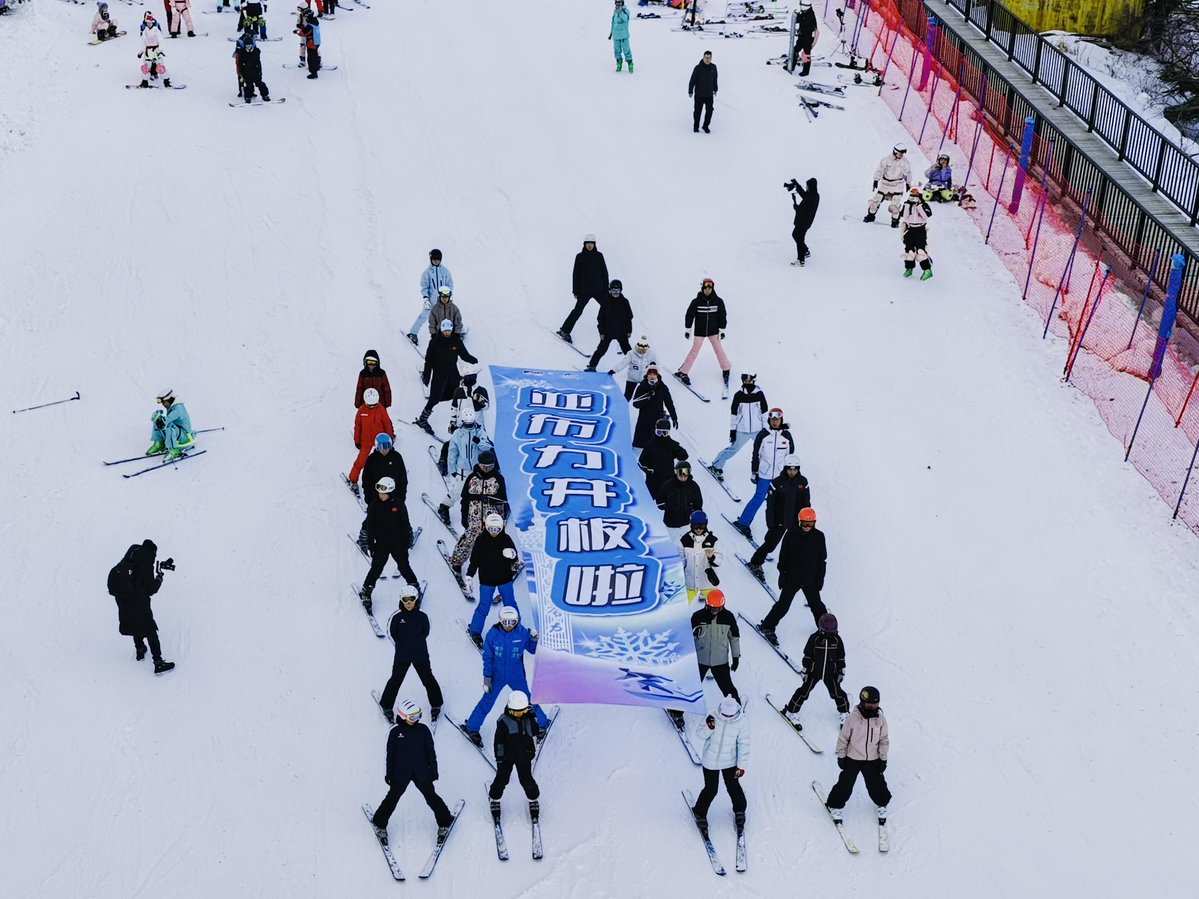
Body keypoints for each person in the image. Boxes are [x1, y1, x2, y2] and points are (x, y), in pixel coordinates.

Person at [368, 699, 456, 841]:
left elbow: (430, 752)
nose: (417, 720)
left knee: (431, 797)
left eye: (419, 716)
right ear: (403, 717)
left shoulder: (423, 730)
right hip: (400, 773)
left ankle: (445, 820)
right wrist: (389, 773)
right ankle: (380, 822)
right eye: (413, 717)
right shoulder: (395, 733)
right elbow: (390, 755)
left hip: (421, 771)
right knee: (392, 798)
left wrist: (434, 769)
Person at [463, 608, 549, 745]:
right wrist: (487, 678)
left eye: (512, 622)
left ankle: (543, 723)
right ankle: (472, 727)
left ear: (517, 621)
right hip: (497, 676)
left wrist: (534, 639)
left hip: (516, 675)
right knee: (487, 701)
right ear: (500, 620)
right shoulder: (493, 634)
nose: (508, 625)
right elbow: (488, 657)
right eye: (505, 621)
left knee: (528, 700)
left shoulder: (522, 633)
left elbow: (532, 650)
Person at [758, 507, 827, 643]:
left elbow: (822, 560)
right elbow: (783, 556)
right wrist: (782, 573)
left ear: (815, 522)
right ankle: (767, 626)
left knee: (817, 605)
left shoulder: (819, 536)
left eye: (811, 524)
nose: (807, 527)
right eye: (805, 524)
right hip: (792, 578)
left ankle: (825, 628)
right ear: (799, 522)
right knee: (783, 605)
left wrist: (820, 578)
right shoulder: (791, 534)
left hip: (810, 579)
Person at [107, 540, 176, 674]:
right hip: (138, 601)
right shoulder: (145, 565)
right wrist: (159, 578)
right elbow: (151, 589)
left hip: (122, 599)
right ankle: (158, 663)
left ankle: (140, 649)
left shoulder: (130, 557)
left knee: (134, 623)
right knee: (150, 629)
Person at [826, 686, 890, 823]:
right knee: (846, 783)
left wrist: (883, 758)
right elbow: (843, 737)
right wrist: (841, 755)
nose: (873, 706)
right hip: (852, 757)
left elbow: (884, 740)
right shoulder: (853, 718)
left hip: (872, 758)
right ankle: (834, 805)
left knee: (876, 783)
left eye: (876, 703)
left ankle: (882, 803)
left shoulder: (880, 719)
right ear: (862, 702)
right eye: (870, 704)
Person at [378, 587, 444, 720]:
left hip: (420, 655)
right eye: (405, 600)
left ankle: (436, 704)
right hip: (402, 656)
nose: (408, 603)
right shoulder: (397, 617)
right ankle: (386, 705)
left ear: (416, 600)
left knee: (428, 679)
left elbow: (426, 632)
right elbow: (392, 634)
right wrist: (403, 646)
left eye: (411, 599)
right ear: (401, 601)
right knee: (396, 680)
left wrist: (416, 645)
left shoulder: (423, 617)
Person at [730, 408, 794, 540]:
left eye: (777, 419)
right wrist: (754, 472)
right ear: (769, 420)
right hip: (764, 475)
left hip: (779, 477)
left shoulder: (786, 436)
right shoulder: (763, 435)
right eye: (772, 419)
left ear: (781, 420)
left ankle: (780, 527)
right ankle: (743, 523)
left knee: (780, 502)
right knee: (758, 498)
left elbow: (790, 455)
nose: (775, 422)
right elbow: (756, 454)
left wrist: (788, 475)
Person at [690, 696, 749, 831]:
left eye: (730, 715)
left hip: (730, 761)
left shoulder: (742, 722)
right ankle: (699, 812)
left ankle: (740, 810)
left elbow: (744, 744)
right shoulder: (712, 715)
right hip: (710, 760)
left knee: (733, 786)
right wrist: (709, 727)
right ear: (721, 709)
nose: (726, 717)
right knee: (711, 789)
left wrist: (741, 766)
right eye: (724, 714)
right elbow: (699, 735)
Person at [359, 477, 419, 609]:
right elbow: (370, 526)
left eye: (384, 493)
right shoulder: (374, 505)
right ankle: (366, 589)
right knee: (376, 568)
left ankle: (414, 585)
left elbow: (405, 523)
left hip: (398, 543)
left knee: (404, 566)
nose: (381, 495)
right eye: (380, 492)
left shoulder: (398, 504)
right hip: (381, 544)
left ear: (390, 492)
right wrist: (371, 544)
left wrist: (408, 537)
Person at [746, 454, 810, 576]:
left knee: (795, 546)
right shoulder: (777, 483)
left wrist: (806, 522)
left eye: (795, 469)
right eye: (790, 469)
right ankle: (755, 562)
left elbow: (806, 503)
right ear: (785, 468)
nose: (792, 472)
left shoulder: (803, 482)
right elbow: (770, 505)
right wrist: (771, 523)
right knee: (770, 545)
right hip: (779, 521)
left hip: (796, 522)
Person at [783, 613, 849, 726]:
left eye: (832, 633)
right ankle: (791, 711)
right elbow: (807, 655)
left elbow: (840, 656)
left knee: (837, 693)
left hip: (830, 672)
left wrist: (841, 670)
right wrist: (805, 669)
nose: (829, 635)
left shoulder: (837, 640)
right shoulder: (815, 638)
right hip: (814, 671)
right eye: (827, 632)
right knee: (804, 691)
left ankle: (844, 713)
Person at [465, 514, 521, 646]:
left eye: (497, 529)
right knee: (484, 606)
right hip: (487, 581)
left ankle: (517, 628)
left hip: (504, 579)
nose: (494, 533)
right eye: (491, 529)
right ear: (486, 527)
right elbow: (474, 561)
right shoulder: (480, 540)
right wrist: (469, 576)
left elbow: (515, 557)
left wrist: (512, 554)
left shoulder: (506, 539)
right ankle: (475, 631)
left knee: (510, 604)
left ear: (501, 528)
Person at [448, 449, 507, 573]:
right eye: (483, 466)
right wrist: (464, 516)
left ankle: (510, 565)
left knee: (497, 543)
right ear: (479, 464)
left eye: (489, 466)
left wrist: (500, 514)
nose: (486, 469)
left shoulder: (498, 479)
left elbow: (504, 500)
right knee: (468, 540)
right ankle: (456, 561)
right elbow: (465, 499)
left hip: (492, 519)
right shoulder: (472, 478)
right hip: (474, 518)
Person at [488, 690, 541, 823]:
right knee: (502, 779)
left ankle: (533, 798)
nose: (519, 715)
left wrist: (532, 718)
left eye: (522, 712)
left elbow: (534, 732)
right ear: (510, 709)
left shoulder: (528, 718)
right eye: (516, 712)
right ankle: (495, 798)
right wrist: (500, 758)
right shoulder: (503, 721)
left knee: (526, 780)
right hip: (507, 758)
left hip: (524, 756)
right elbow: (498, 742)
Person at [437, 406, 493, 526]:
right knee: (458, 491)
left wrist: (479, 441)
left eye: (470, 423)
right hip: (462, 469)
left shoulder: (479, 431)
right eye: (466, 424)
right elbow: (452, 452)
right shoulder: (458, 434)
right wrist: (452, 468)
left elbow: (487, 447)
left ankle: (479, 512)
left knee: (479, 491)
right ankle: (444, 506)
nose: (469, 426)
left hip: (478, 469)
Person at [417, 321, 479, 431]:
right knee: (434, 398)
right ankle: (423, 419)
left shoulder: (456, 340)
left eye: (449, 330)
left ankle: (465, 418)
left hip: (452, 372)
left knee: (462, 393)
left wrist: (471, 359)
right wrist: (427, 375)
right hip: (439, 373)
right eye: (445, 330)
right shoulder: (435, 342)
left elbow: (463, 354)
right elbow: (429, 360)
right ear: (441, 330)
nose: (447, 333)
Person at [674, 278, 730, 392]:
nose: (708, 290)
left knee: (719, 349)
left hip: (713, 331)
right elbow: (689, 315)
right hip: (699, 331)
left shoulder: (718, 301)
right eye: (706, 287)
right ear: (702, 288)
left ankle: (726, 369)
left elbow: (722, 315)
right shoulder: (696, 301)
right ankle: (683, 372)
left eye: (710, 287)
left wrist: (722, 329)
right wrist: (688, 329)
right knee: (694, 351)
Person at [708, 373, 767, 480]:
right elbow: (734, 414)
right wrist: (732, 431)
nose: (748, 383)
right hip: (742, 430)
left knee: (765, 450)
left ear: (754, 381)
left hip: (758, 430)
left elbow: (764, 413)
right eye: (746, 381)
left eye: (750, 381)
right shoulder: (738, 395)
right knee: (733, 449)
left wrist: (765, 429)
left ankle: (768, 471)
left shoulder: (759, 394)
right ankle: (716, 466)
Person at [356, 432, 407, 547]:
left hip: (394, 495)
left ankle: (405, 535)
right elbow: (366, 480)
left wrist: (402, 496)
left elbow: (402, 478)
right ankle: (364, 536)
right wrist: (369, 497)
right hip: (377, 495)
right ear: (377, 446)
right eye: (381, 447)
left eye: (387, 446)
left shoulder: (396, 457)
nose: (385, 450)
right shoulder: (372, 459)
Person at [557, 234, 609, 344]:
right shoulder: (579, 257)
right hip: (584, 291)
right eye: (587, 243)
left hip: (599, 289)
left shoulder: (599, 256)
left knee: (609, 308)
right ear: (584, 244)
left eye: (591, 243)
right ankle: (564, 331)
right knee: (578, 311)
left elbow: (604, 272)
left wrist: (606, 288)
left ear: (594, 244)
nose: (589, 245)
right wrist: (575, 290)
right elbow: (575, 274)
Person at [691, 589, 740, 700]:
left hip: (720, 661)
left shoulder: (728, 617)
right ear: (707, 605)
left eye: (718, 608)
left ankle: (735, 706)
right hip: (700, 659)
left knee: (728, 688)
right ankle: (676, 711)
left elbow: (734, 638)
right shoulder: (697, 617)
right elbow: (687, 636)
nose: (715, 611)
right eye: (712, 608)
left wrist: (736, 657)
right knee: (691, 687)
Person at [584, 280, 634, 372]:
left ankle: (636, 367)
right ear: (609, 290)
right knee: (601, 350)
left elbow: (629, 317)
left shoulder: (625, 302)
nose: (615, 293)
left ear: (621, 290)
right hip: (608, 332)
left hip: (621, 331)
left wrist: (629, 330)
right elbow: (600, 318)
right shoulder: (606, 301)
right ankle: (592, 366)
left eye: (617, 291)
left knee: (628, 351)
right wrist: (601, 332)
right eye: (613, 291)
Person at [349, 388, 394, 487]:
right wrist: (357, 440)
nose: (372, 407)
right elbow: (358, 426)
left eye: (374, 404)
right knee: (361, 461)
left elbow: (387, 423)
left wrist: (390, 437)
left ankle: (388, 479)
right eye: (370, 405)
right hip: (366, 441)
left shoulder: (381, 408)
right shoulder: (361, 411)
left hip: (380, 440)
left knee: (383, 461)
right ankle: (353, 479)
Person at [410, 249, 454, 346]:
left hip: (443, 299)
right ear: (431, 259)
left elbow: (450, 284)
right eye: (434, 259)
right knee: (424, 316)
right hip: (431, 300)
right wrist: (426, 299)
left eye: (438, 259)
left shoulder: (445, 272)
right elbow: (424, 286)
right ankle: (413, 333)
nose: (436, 261)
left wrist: (448, 295)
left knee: (449, 316)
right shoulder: (427, 273)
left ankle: (458, 333)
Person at [630, 362, 678, 449]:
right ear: (647, 375)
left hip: (657, 420)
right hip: (643, 420)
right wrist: (646, 398)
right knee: (639, 446)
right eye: (650, 373)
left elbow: (669, 403)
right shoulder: (641, 387)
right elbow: (635, 403)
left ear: (657, 375)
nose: (652, 376)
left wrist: (674, 417)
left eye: (654, 374)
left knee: (656, 446)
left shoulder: (663, 387)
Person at [864, 143, 913, 227]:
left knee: (894, 206)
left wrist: (908, 183)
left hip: (897, 185)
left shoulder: (905, 162)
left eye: (903, 153)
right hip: (885, 184)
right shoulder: (886, 160)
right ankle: (870, 216)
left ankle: (895, 221)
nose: (902, 155)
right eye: (900, 153)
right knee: (874, 203)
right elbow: (879, 170)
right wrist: (876, 180)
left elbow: (908, 173)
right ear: (895, 151)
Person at [638, 417, 687, 497]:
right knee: (650, 500)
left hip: (668, 480)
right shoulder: (650, 446)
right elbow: (641, 461)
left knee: (667, 500)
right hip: (653, 481)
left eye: (665, 433)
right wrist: (649, 470)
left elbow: (684, 456)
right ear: (655, 431)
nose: (661, 436)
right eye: (659, 432)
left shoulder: (672, 445)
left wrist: (680, 451)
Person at [680, 510, 721, 603]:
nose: (698, 529)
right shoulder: (684, 540)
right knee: (680, 608)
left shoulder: (713, 540)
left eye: (701, 526)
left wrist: (712, 557)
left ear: (706, 525)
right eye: (695, 526)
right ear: (691, 525)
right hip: (690, 583)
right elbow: (681, 561)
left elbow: (720, 561)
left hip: (708, 583)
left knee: (717, 606)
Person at [656, 459, 703, 535]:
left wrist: (696, 514)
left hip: (687, 522)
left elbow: (698, 502)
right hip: (670, 522)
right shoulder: (668, 485)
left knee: (685, 543)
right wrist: (667, 505)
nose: (683, 476)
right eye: (680, 473)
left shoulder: (693, 486)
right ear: (676, 472)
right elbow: (659, 501)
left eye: (686, 473)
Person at [146, 388, 194, 459]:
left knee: (169, 427)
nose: (162, 404)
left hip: (185, 436)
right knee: (158, 421)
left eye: (163, 402)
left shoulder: (178, 408)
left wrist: (162, 421)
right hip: (179, 433)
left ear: (169, 399)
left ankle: (174, 450)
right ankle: (159, 443)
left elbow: (169, 419)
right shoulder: (172, 406)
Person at [900, 187, 934, 280]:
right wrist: (907, 205)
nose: (914, 195)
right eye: (912, 193)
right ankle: (909, 268)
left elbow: (926, 216)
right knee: (909, 250)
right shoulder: (907, 204)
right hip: (909, 229)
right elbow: (904, 216)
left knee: (921, 250)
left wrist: (920, 206)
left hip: (920, 230)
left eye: (916, 193)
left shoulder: (924, 205)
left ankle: (927, 270)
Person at [609, 335, 654, 400]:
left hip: (645, 379)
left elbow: (657, 366)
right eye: (640, 349)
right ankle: (623, 408)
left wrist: (653, 366)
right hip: (632, 378)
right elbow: (623, 363)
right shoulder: (631, 353)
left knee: (652, 395)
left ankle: (658, 408)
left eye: (644, 349)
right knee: (627, 396)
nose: (642, 351)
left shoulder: (651, 354)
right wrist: (613, 370)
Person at [789, 178, 820, 266]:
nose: (806, 187)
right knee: (796, 235)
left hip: (803, 222)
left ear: (811, 187)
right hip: (805, 221)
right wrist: (797, 185)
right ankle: (805, 251)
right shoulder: (814, 195)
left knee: (798, 237)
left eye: (807, 186)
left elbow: (801, 210)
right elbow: (804, 195)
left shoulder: (812, 197)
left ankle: (801, 260)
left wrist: (795, 205)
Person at [234, 30, 270, 103]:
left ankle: (265, 95)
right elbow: (240, 64)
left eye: (250, 45)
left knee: (260, 83)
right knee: (248, 85)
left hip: (255, 71)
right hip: (246, 72)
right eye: (247, 46)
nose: (248, 47)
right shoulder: (242, 52)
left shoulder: (256, 51)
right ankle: (248, 97)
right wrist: (241, 73)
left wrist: (260, 72)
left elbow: (258, 63)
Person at [688, 50, 718, 133]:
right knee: (697, 112)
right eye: (706, 58)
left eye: (709, 58)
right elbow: (692, 80)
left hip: (709, 95)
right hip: (699, 95)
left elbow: (715, 79)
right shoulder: (698, 68)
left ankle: (705, 126)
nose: (707, 59)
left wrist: (715, 89)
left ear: (711, 58)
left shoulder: (713, 67)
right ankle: (696, 126)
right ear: (703, 57)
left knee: (710, 111)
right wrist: (690, 90)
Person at [791, 1, 819, 75]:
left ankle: (806, 71)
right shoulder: (805, 12)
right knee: (794, 50)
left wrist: (798, 16)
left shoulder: (810, 15)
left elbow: (803, 21)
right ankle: (791, 65)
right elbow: (799, 20)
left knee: (807, 54)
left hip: (808, 38)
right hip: (802, 36)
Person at [295, 9, 321, 79]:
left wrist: (297, 32)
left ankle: (313, 73)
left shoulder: (310, 25)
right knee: (315, 56)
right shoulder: (315, 21)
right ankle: (317, 66)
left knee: (311, 58)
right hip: (317, 42)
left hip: (312, 43)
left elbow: (304, 33)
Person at [609, 0, 633, 73]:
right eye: (616, 2)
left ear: (622, 3)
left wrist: (620, 12)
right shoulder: (615, 11)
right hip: (616, 35)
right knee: (617, 50)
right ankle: (619, 62)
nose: (618, 4)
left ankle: (630, 63)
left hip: (623, 35)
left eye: (619, 2)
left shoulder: (626, 10)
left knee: (626, 49)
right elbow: (613, 23)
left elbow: (625, 19)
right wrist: (611, 33)